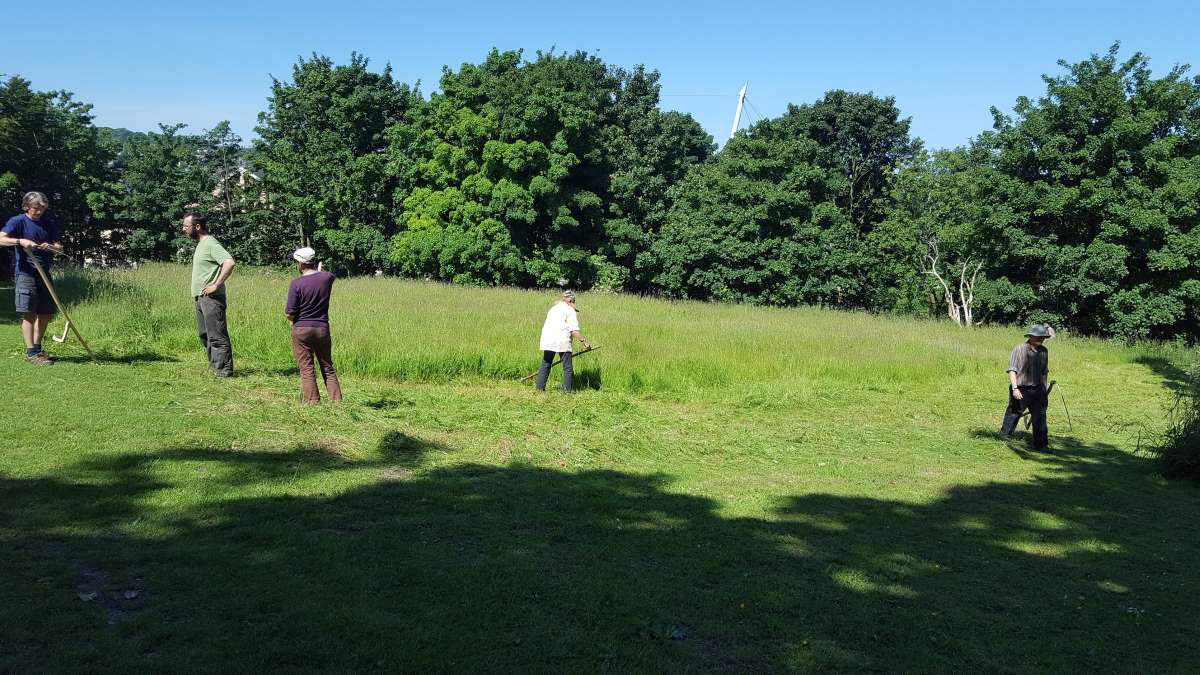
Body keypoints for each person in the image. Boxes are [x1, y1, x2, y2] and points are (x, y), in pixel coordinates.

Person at [0, 192, 63, 365]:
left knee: (45, 313)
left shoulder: (48, 224)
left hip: (44, 272)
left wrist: (51, 246)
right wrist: (20, 241)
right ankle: (31, 353)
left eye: (43, 209)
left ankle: (37, 348)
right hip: (26, 273)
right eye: (36, 208)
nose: (39, 212)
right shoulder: (18, 221)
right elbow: (1, 239)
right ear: (27, 206)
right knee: (29, 313)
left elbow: (59, 248)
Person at [285, 247, 342, 403]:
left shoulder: (296, 284)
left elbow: (290, 313)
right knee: (327, 367)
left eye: (297, 262)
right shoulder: (327, 278)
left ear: (301, 264)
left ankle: (313, 402)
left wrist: (293, 322)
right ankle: (337, 401)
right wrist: (320, 272)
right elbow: (328, 275)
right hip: (322, 328)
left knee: (307, 368)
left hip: (302, 329)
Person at [183, 212, 236, 377]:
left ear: (197, 227)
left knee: (216, 334)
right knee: (205, 334)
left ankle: (224, 371)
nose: (183, 229)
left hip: (212, 298)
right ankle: (215, 368)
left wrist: (216, 284)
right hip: (201, 297)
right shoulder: (201, 244)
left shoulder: (210, 243)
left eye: (186, 226)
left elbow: (229, 262)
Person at [1001, 323, 1053, 451]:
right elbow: (1012, 370)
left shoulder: (1044, 351)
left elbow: (1044, 372)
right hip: (1021, 389)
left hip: (1038, 390)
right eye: (1039, 337)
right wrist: (1015, 388)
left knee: (1040, 417)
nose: (1041, 339)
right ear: (1031, 336)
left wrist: (1044, 391)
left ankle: (1042, 446)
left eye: (1043, 337)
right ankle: (1003, 439)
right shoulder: (1019, 349)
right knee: (1013, 414)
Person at [535, 290, 592, 392]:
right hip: (562, 340)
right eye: (573, 301)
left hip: (548, 339)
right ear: (570, 300)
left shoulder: (553, 309)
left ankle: (539, 389)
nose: (573, 304)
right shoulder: (570, 310)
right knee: (567, 367)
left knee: (546, 364)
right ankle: (567, 392)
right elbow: (573, 330)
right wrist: (584, 341)